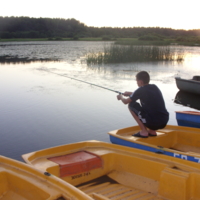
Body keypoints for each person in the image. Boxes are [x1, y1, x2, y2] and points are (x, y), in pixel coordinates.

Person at [117, 71, 169, 138]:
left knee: (131, 105)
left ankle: (144, 132)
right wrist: (130, 93)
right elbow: (143, 94)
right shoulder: (154, 87)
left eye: (137, 81)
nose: (137, 83)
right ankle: (152, 131)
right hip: (164, 121)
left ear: (140, 82)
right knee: (153, 109)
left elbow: (125, 101)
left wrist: (121, 97)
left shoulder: (140, 90)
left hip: (153, 123)